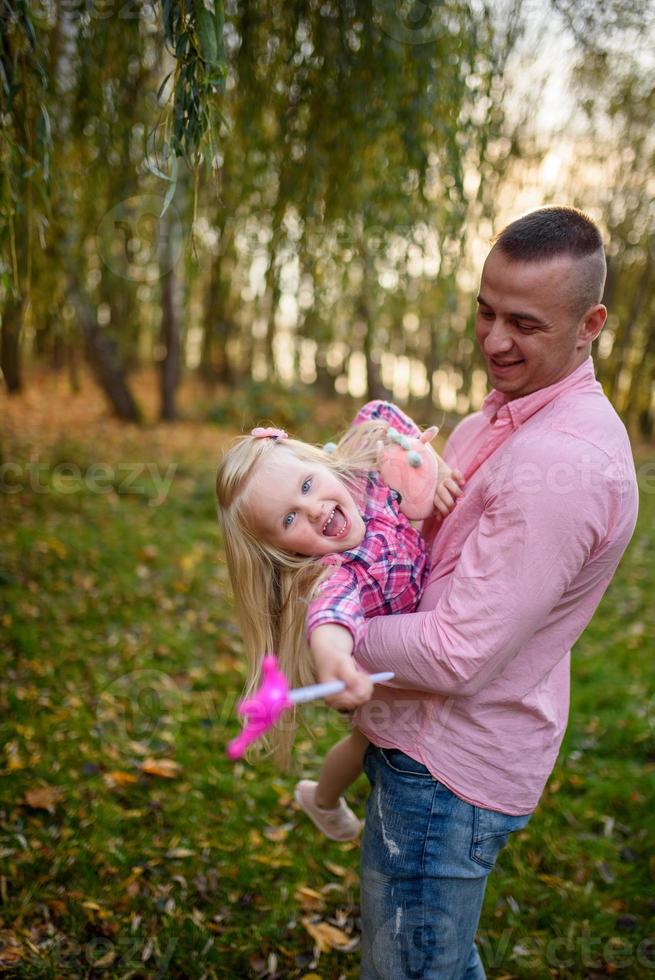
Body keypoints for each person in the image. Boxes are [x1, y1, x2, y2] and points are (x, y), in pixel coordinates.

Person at [320, 206, 639, 979]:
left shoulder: (559, 465)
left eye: (524, 324)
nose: (494, 341)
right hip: (413, 734)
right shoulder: (487, 423)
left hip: (446, 769)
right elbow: (416, 554)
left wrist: (326, 632)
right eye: (484, 312)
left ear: (588, 322)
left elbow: (460, 654)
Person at [216, 401, 464, 841]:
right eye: (289, 518)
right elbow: (331, 615)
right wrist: (333, 659)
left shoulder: (368, 480)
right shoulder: (336, 573)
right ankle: (323, 799)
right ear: (282, 549)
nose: (312, 508)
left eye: (308, 484)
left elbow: (377, 412)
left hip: (420, 646)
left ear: (320, 464)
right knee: (366, 740)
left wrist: (434, 464)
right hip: (385, 670)